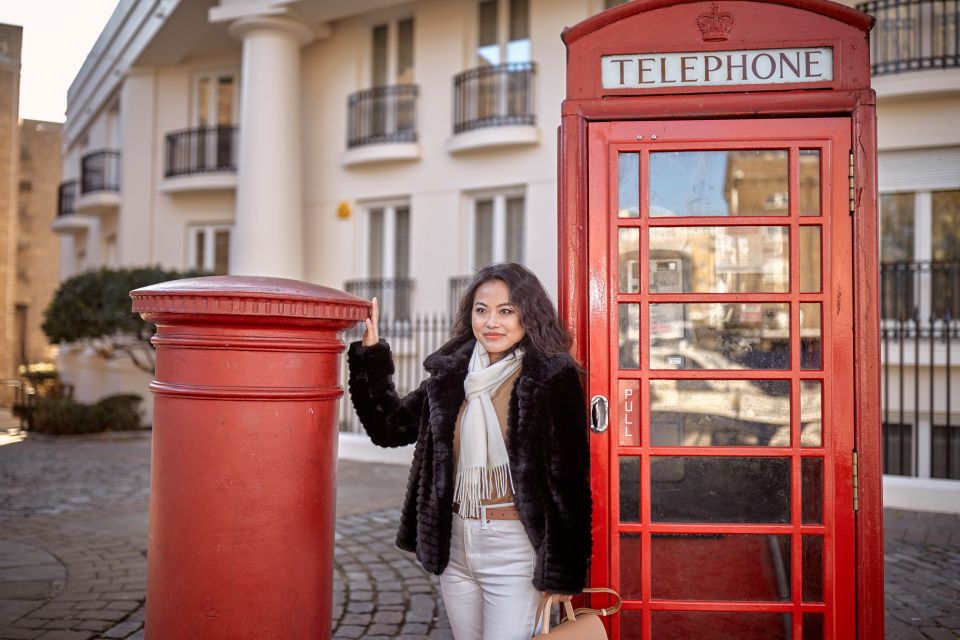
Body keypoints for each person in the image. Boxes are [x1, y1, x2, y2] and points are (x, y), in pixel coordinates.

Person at [347, 262, 591, 640]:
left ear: (529, 316)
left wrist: (562, 572)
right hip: (456, 543)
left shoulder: (551, 378)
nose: (492, 322)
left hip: (514, 549)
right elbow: (389, 427)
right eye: (482, 310)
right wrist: (371, 354)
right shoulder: (450, 377)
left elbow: (569, 481)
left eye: (506, 311)